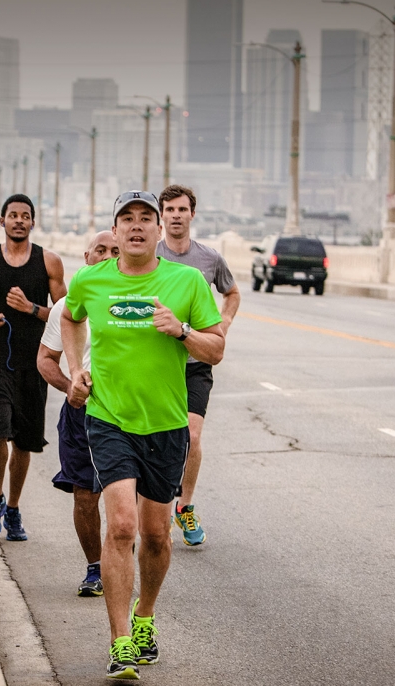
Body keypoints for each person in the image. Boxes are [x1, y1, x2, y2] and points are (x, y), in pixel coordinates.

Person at [61, 191, 225, 679]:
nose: (136, 226)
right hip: (109, 419)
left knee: (155, 536)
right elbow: (70, 318)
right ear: (114, 232)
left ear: (159, 231)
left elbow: (215, 349)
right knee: (124, 527)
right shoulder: (91, 279)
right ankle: (120, 642)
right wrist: (75, 370)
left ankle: (145, 616)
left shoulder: (188, 280)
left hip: (168, 424)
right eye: (126, 219)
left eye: (145, 219)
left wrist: (181, 332)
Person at [0, 194, 66, 542]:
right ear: (2, 220)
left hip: (33, 364)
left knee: (24, 441)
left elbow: (64, 313)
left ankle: (13, 507)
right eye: (13, 215)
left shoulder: (49, 262)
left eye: (25, 216)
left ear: (33, 223)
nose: (19, 221)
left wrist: (29, 308)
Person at [156, 184, 240, 547]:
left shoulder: (209, 258)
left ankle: (184, 506)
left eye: (182, 209)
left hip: (194, 360)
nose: (176, 215)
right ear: (161, 215)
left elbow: (232, 292)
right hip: (157, 361)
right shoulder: (149, 255)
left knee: (191, 435)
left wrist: (224, 324)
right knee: (158, 436)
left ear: (192, 214)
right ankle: (156, 506)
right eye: (169, 209)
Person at [37, 230, 117, 596]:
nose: (106, 256)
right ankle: (96, 567)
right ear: (86, 257)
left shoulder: (140, 303)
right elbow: (45, 360)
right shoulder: (66, 307)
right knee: (85, 496)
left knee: (126, 499)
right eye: (99, 250)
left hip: (128, 414)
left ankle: (121, 556)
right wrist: (71, 387)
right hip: (80, 413)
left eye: (114, 252)